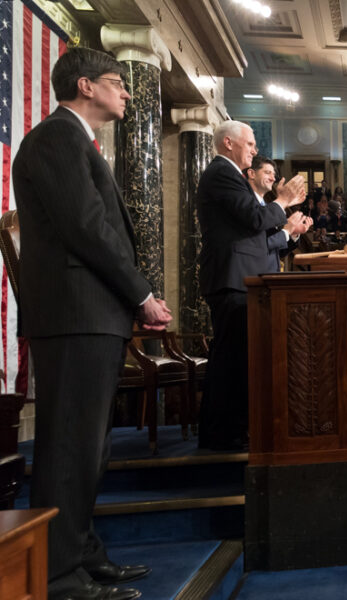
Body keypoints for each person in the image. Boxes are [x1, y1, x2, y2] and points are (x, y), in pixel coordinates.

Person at [12, 47, 173, 600]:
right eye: (115, 82)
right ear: (85, 86)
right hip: (76, 313)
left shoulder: (75, 140)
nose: (126, 91)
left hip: (90, 313)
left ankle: (81, 554)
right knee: (69, 446)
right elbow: (87, 229)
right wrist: (143, 296)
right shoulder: (58, 138)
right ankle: (56, 576)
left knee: (90, 446)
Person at [197, 120, 306, 450]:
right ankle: (223, 435)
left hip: (242, 278)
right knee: (230, 361)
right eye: (250, 144)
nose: (255, 150)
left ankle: (231, 431)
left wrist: (285, 227)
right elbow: (256, 220)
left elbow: (254, 232)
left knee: (236, 360)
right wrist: (283, 201)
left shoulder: (229, 176)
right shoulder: (222, 173)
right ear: (228, 143)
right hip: (233, 279)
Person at [244, 155, 312, 272]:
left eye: (274, 175)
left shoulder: (265, 205)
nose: (273, 178)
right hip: (252, 275)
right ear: (252, 174)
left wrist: (293, 234)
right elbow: (256, 247)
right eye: (267, 173)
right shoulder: (246, 204)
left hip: (269, 276)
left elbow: (276, 252)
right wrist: (285, 231)